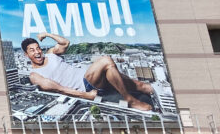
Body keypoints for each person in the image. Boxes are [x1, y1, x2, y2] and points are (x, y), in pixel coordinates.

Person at [21, 32, 153, 111]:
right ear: (26, 55)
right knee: (106, 60)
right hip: (86, 85)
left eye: (38, 48)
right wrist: (86, 95)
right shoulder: (34, 75)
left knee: (143, 86)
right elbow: (59, 89)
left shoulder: (50, 54)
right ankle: (129, 99)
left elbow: (65, 43)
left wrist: (47, 34)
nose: (37, 52)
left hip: (94, 76)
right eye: (32, 50)